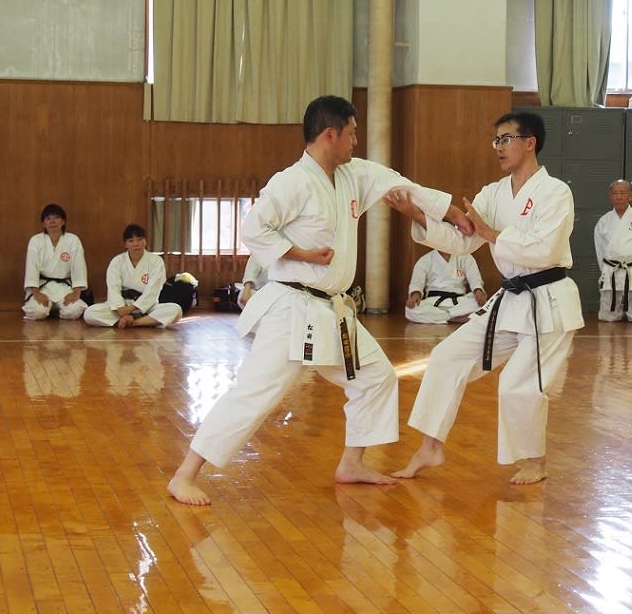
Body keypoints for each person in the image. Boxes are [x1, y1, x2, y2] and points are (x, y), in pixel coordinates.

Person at [167, 94, 472, 506]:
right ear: (330, 135)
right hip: (292, 309)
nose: (355, 142)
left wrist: (451, 212)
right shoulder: (291, 181)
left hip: (332, 309)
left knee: (375, 375)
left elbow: (401, 185)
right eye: (351, 134)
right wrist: (302, 254)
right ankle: (185, 474)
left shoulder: (352, 175)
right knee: (257, 392)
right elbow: (254, 231)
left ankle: (352, 463)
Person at [386, 110, 584, 486]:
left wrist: (491, 232)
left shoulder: (556, 192)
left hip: (549, 302)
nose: (499, 147)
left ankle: (536, 461)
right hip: (510, 301)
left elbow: (544, 249)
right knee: (446, 357)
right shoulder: (493, 194)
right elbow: (463, 240)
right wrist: (417, 214)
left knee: (518, 385)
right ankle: (430, 446)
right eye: (496, 140)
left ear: (530, 143)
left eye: (506, 138)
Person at [83, 224, 183, 328]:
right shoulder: (117, 261)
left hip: (147, 307)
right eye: (131, 241)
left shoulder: (156, 261)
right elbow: (113, 288)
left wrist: (131, 309)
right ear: (125, 244)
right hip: (122, 306)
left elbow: (153, 291)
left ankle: (133, 323)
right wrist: (121, 309)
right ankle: (128, 320)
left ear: (145, 241)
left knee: (176, 310)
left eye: (139, 240)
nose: (136, 244)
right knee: (89, 313)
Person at [594, 179, 632, 323]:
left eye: (622, 193)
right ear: (610, 196)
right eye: (615, 193)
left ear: (630, 196)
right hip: (611, 270)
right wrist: (606, 269)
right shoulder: (604, 221)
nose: (619, 197)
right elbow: (600, 250)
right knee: (608, 316)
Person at [22, 203, 89, 321]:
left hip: (64, 287)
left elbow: (79, 267)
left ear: (63, 221)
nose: (52, 222)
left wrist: (76, 292)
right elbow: (31, 268)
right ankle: (49, 309)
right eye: (48, 218)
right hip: (43, 286)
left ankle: (54, 310)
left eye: (56, 218)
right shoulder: (36, 241)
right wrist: (36, 292)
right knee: (37, 312)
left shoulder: (73, 240)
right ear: (43, 223)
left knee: (74, 311)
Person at [404, 249, 487, 324]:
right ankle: (455, 318)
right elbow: (417, 283)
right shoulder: (426, 259)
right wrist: (415, 294)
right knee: (411, 309)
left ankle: (442, 317)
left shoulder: (465, 257)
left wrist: (478, 290)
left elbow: (475, 279)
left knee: (485, 307)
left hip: (459, 302)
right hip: (433, 302)